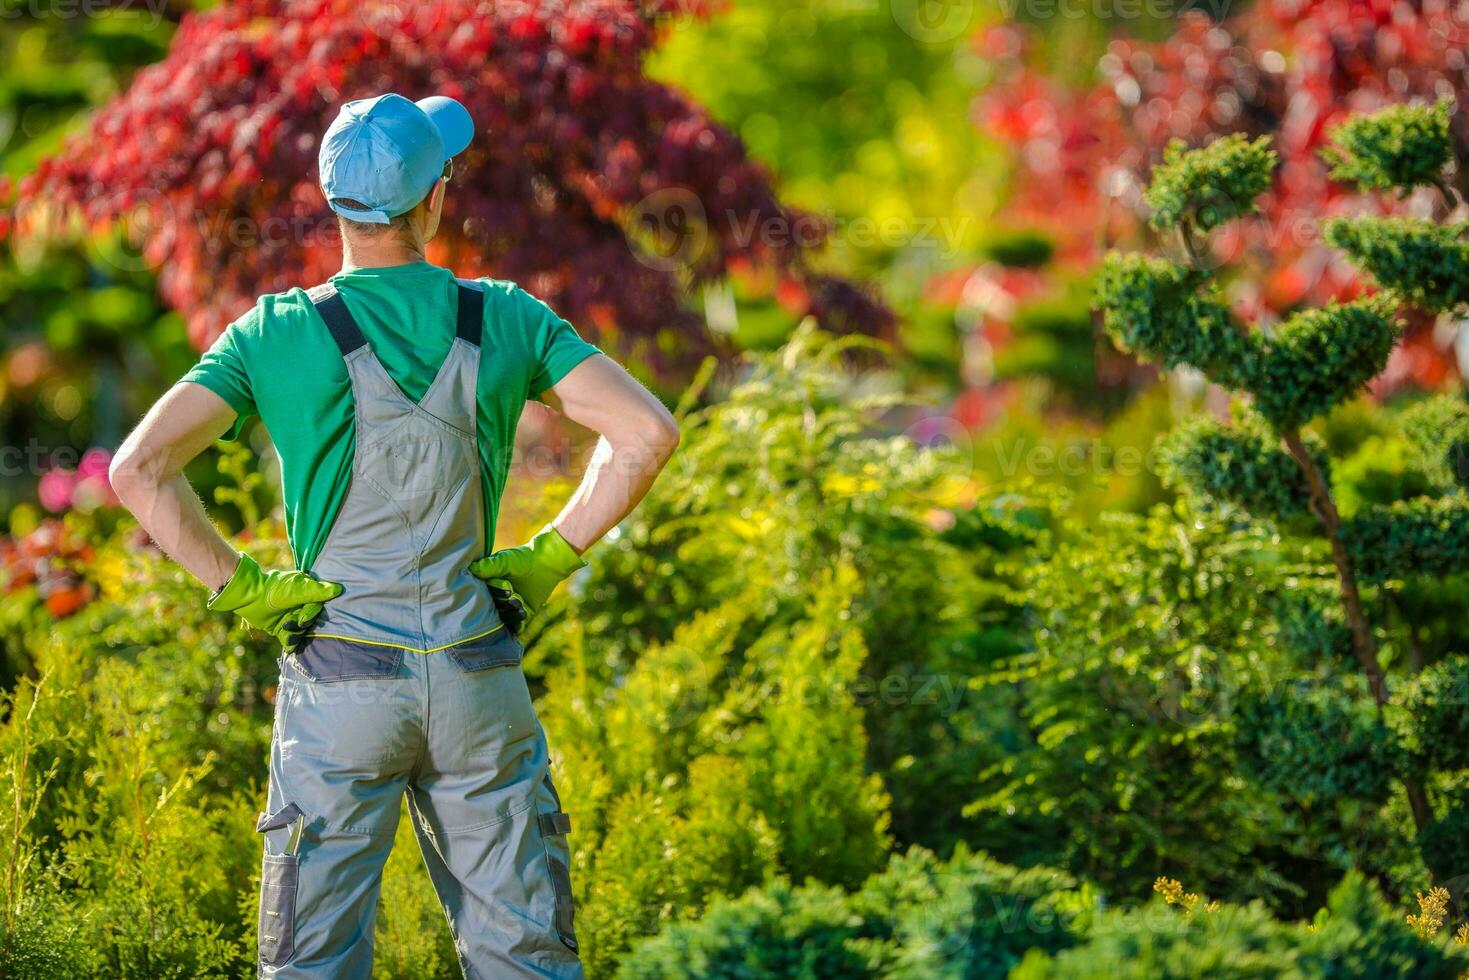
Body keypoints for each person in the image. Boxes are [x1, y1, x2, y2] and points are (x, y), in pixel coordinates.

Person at [108, 92, 679, 979]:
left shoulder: (277, 332)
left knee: (310, 962)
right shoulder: (506, 319)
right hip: (476, 676)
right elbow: (647, 433)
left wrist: (247, 586)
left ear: (335, 201)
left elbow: (136, 470)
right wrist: (550, 555)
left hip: (340, 687)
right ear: (433, 202)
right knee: (525, 957)